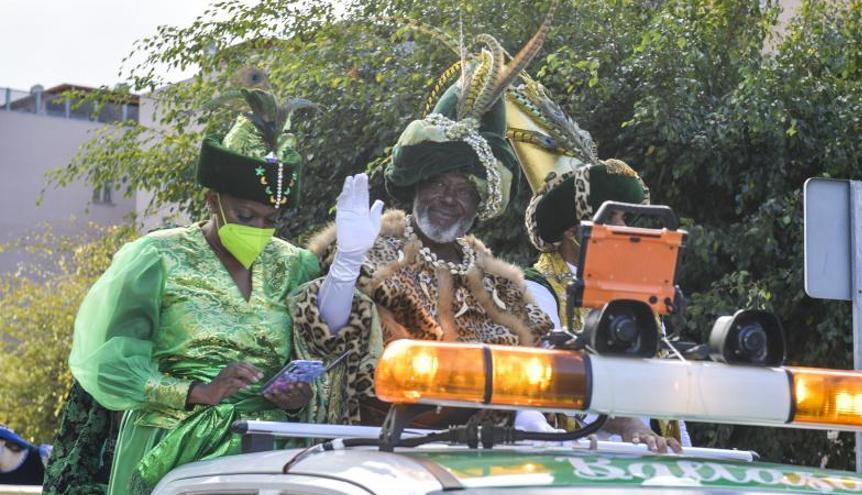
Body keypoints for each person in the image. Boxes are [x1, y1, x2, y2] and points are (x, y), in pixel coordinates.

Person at [288, 14, 558, 427]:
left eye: (464, 189)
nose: (449, 198)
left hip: (486, 465)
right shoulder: (371, 250)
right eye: (437, 183)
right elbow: (323, 337)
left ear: (480, 202)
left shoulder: (501, 284)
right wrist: (346, 266)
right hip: (379, 454)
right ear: (416, 185)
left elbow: (547, 369)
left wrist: (622, 423)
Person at [65, 89, 324, 494]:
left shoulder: (295, 265)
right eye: (244, 215)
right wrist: (195, 392)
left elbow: (316, 352)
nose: (258, 229)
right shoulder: (156, 257)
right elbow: (105, 363)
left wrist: (296, 396)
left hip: (265, 451)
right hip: (172, 450)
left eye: (270, 219)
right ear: (211, 200)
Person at [506, 77, 689, 452]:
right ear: (576, 232)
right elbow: (553, 379)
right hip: (572, 459)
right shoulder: (537, 290)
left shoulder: (641, 294)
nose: (629, 230)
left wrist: (682, 450)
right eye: (619, 218)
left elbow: (667, 390)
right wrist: (625, 423)